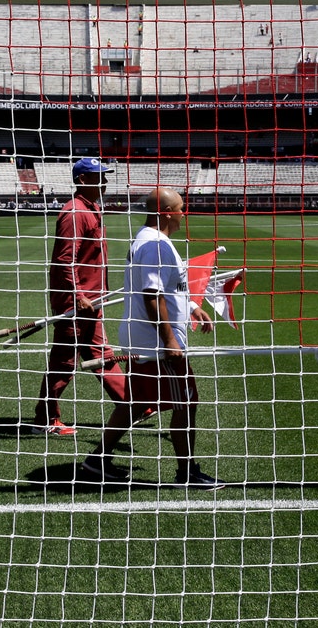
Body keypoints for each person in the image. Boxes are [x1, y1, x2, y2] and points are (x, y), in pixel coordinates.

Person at [80, 187, 222, 489]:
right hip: (156, 342)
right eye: (181, 208)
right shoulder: (156, 244)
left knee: (134, 402)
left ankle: (97, 461)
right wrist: (170, 341)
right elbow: (152, 296)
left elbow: (170, 286)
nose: (184, 213)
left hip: (142, 336)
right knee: (186, 402)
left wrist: (193, 307)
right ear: (168, 212)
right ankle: (188, 473)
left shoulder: (152, 240)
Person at [30, 157, 127, 435]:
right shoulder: (75, 213)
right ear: (83, 181)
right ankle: (46, 420)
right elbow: (65, 260)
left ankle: (131, 404)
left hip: (92, 301)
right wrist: (78, 295)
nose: (105, 182)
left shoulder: (92, 209)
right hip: (77, 303)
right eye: (99, 177)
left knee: (102, 355)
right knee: (64, 362)